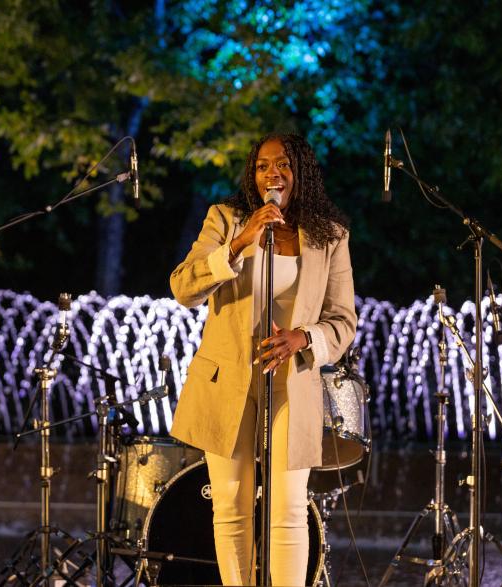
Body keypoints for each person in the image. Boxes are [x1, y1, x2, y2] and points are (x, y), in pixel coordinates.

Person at [170, 133, 356, 585]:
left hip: (292, 380)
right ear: (252, 176)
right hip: (227, 379)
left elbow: (343, 320)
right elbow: (183, 288)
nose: (273, 173)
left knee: (289, 507)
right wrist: (238, 243)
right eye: (262, 166)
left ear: (301, 173)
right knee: (231, 505)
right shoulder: (227, 219)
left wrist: (303, 337)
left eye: (283, 164)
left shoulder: (330, 236)